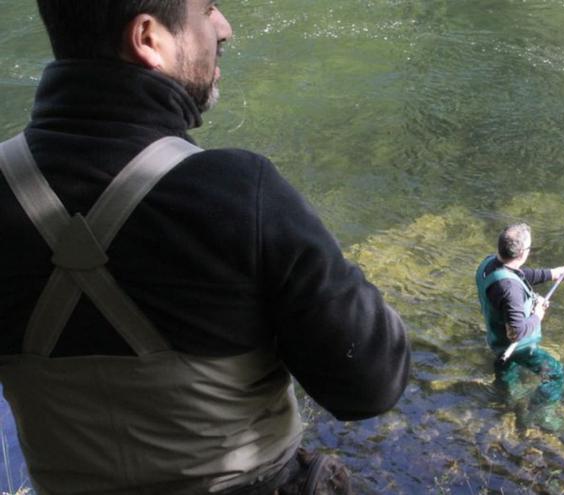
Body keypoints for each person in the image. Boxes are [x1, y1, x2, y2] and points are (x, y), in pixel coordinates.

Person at [0, 1, 410, 494]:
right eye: (207, 9)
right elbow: (370, 384)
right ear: (149, 38)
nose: (224, 28)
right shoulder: (238, 191)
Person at [475, 223, 564, 421]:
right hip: (518, 346)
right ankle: (539, 413)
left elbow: (517, 274)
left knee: (507, 370)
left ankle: (504, 400)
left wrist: (553, 273)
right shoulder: (510, 290)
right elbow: (517, 332)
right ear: (522, 253)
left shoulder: (488, 264)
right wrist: (537, 314)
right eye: (529, 248)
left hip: (496, 339)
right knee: (556, 373)